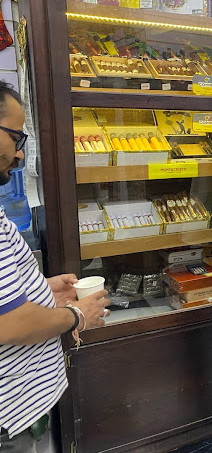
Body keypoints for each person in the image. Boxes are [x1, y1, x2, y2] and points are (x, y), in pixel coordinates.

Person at [0, 82, 110, 451]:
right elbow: (10, 323)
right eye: (16, 138)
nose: (19, 155)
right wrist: (76, 316)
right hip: (10, 424)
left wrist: (42, 289)